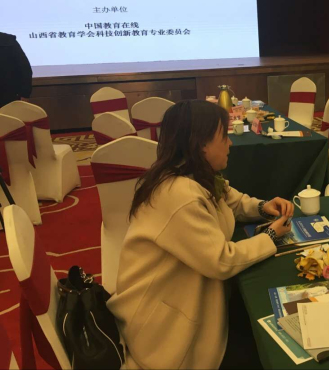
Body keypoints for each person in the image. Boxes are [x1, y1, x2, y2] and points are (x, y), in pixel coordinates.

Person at [107, 100, 294, 369]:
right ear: (201, 144)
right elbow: (221, 260)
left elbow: (231, 200)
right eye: (224, 137)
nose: (230, 144)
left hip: (186, 299)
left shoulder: (194, 174)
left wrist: (262, 207)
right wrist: (271, 236)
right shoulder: (179, 193)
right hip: (165, 330)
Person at [0, 32, 33, 107]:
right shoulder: (8, 40)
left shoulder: (8, 41)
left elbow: (25, 69)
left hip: (8, 98)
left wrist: (25, 94)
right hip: (9, 97)